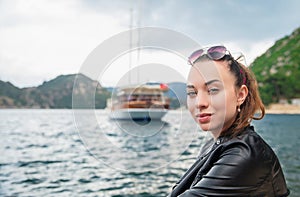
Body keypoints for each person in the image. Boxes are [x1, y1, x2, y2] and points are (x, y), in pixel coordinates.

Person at [169, 46, 289, 196]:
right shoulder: (215, 145)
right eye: (192, 93)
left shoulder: (245, 155)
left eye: (213, 90)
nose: (199, 102)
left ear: (240, 95)